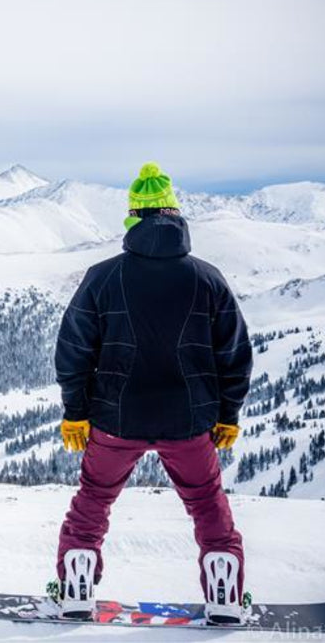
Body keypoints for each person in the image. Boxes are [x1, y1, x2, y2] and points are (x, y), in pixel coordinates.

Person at [53, 162, 252, 625]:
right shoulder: (208, 278)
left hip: (115, 419)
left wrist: (75, 411)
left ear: (133, 218)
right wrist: (228, 413)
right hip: (189, 422)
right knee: (206, 503)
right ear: (176, 214)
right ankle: (224, 591)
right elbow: (234, 352)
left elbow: (74, 349)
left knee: (94, 500)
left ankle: (77, 583)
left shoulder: (103, 277)